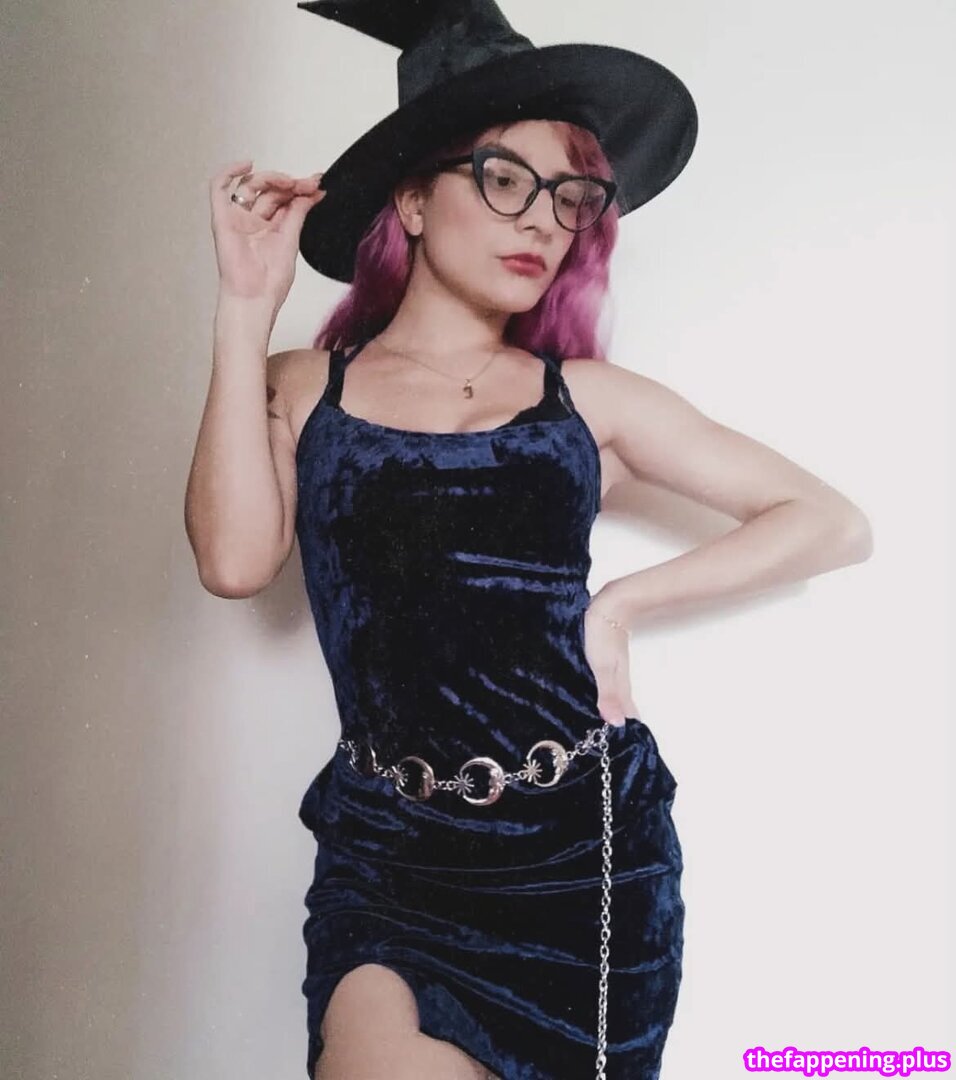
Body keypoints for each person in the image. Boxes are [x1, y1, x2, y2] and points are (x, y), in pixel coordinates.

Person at [185, 3, 873, 1078]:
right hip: (391, 855)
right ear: (412, 199)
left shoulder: (585, 400)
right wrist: (243, 305)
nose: (544, 223)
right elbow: (233, 564)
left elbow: (829, 520)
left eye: (568, 198)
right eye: (504, 178)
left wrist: (621, 606)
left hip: (582, 858)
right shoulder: (303, 387)